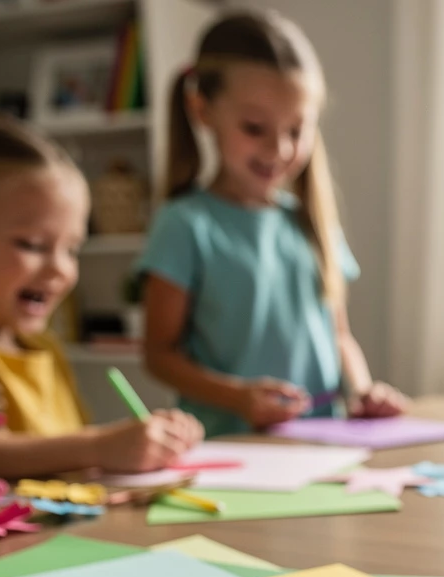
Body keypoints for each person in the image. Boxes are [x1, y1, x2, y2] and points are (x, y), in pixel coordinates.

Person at [140, 9, 407, 437]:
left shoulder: (313, 225)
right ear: (202, 110)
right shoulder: (185, 225)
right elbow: (159, 354)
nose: (279, 149)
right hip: (232, 451)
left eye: (296, 130)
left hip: (326, 444)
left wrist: (362, 391)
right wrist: (238, 397)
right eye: (254, 127)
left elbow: (340, 337)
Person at [0, 111, 202, 480]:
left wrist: (140, 446)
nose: (62, 270)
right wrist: (96, 446)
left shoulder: (46, 352)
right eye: (32, 244)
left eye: (72, 249)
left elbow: (69, 471)